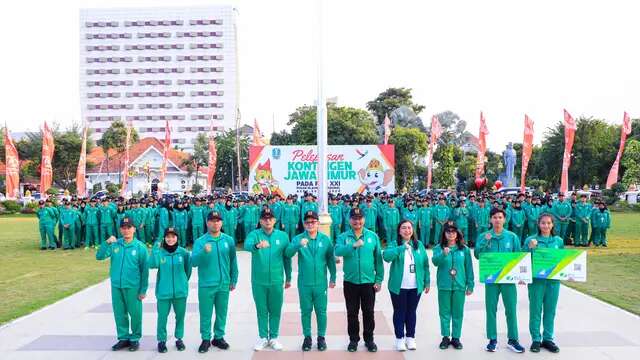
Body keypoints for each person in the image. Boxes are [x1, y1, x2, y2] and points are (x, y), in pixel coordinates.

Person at [474, 207, 525, 353]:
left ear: (504, 219)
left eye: (500, 217)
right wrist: (485, 242)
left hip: (508, 280)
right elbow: (477, 254)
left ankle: (513, 339)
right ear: (490, 219)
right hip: (491, 280)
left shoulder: (512, 237)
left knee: (511, 309)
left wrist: (520, 276)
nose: (497, 220)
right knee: (491, 309)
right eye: (495, 217)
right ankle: (492, 339)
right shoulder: (484, 236)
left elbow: (518, 258)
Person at [96, 217, 149, 352]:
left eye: (129, 227)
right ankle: (123, 337)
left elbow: (144, 270)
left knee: (135, 313)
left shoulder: (140, 247)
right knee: (120, 313)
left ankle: (135, 338)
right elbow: (99, 256)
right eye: (124, 228)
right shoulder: (115, 245)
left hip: (133, 286)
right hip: (117, 286)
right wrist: (107, 242)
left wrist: (143, 290)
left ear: (134, 229)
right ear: (120, 229)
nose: (126, 231)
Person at [285, 210, 337, 351]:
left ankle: (321, 338)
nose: (310, 224)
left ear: (318, 223)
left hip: (321, 283)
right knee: (306, 311)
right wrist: (298, 245)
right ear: (304, 224)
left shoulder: (325, 239)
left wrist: (333, 277)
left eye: (313, 221)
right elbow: (288, 253)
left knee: (321, 311)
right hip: (304, 283)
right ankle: (307, 338)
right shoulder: (299, 238)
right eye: (307, 222)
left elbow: (330, 259)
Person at [335, 207, 385, 352]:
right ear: (349, 220)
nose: (357, 221)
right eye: (354, 218)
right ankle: (353, 340)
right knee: (352, 312)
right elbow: (337, 251)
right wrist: (352, 246)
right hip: (350, 282)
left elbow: (378, 260)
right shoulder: (343, 237)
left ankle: (369, 339)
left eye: (360, 218)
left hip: (368, 282)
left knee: (369, 311)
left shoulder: (372, 236)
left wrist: (379, 279)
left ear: (364, 219)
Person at [244, 207, 292, 351]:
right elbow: (247, 246)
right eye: (265, 219)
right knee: (262, 310)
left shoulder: (283, 236)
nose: (268, 221)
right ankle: (263, 337)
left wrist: (288, 277)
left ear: (275, 220)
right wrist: (257, 245)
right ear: (260, 221)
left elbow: (287, 258)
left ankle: (274, 337)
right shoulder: (255, 234)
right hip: (259, 280)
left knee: (276, 309)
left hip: (277, 279)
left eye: (270, 218)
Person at [191, 211, 238, 353]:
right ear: (207, 222)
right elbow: (193, 262)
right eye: (212, 220)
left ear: (221, 223)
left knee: (222, 312)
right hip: (206, 284)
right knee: (206, 313)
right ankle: (206, 339)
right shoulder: (200, 241)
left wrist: (233, 279)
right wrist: (203, 252)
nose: (215, 223)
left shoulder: (228, 240)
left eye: (218, 220)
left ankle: (218, 337)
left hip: (223, 283)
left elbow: (233, 261)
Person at [382, 220, 430, 351]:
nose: (407, 230)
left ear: (413, 230)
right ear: (399, 231)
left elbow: (425, 264)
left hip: (415, 286)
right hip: (398, 286)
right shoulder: (394, 244)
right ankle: (399, 339)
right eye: (403, 228)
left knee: (411, 312)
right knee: (399, 312)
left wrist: (427, 281)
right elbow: (386, 257)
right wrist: (401, 248)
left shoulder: (418, 245)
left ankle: (410, 338)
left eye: (409, 228)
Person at [524, 213, 562, 353]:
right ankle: (535, 339)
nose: (546, 226)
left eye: (548, 223)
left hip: (553, 281)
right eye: (543, 223)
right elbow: (522, 259)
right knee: (535, 310)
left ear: (552, 225)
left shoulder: (558, 241)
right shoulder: (531, 240)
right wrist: (529, 247)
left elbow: (563, 260)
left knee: (550, 311)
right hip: (536, 281)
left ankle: (548, 338)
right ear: (538, 224)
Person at [432, 223, 474, 350]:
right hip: (444, 285)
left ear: (457, 234)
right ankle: (445, 337)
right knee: (444, 313)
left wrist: (470, 284)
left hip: (459, 285)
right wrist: (443, 254)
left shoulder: (464, 249)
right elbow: (435, 262)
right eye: (448, 231)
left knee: (458, 313)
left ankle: (456, 338)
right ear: (444, 234)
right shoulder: (439, 248)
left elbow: (469, 268)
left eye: (453, 231)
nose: (451, 234)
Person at [149, 227, 192, 353]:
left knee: (180, 316)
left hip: (180, 292)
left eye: (173, 236)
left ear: (177, 238)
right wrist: (156, 248)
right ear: (164, 238)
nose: (170, 239)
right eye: (168, 236)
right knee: (162, 317)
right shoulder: (160, 252)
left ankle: (179, 339)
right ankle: (161, 341)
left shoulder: (183, 253)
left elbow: (187, 270)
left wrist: (182, 281)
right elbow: (152, 264)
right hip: (163, 292)